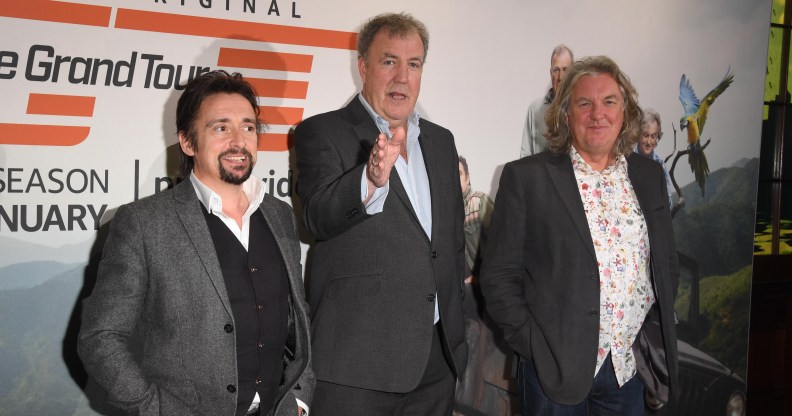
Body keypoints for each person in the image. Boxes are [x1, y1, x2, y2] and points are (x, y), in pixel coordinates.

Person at [78, 70, 313, 416]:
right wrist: (155, 409)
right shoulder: (144, 223)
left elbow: (296, 319)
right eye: (220, 127)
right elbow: (100, 337)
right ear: (188, 142)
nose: (238, 140)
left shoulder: (279, 214)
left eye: (248, 127)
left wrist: (300, 400)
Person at [481, 56, 679, 415]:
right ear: (565, 114)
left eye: (609, 102)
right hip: (553, 373)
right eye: (584, 103)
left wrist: (648, 331)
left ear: (625, 111)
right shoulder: (527, 179)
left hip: (627, 371)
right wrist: (533, 345)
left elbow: (665, 263)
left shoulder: (648, 177)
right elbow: (498, 277)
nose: (597, 113)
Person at [294, 12, 468, 416]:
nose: (402, 77)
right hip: (357, 368)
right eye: (389, 61)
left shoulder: (441, 142)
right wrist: (370, 180)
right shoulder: (322, 132)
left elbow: (451, 243)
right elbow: (316, 217)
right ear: (363, 67)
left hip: (435, 363)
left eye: (414, 64)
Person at [520, 44, 574, 157]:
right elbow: (525, 155)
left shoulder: (581, 109)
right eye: (556, 70)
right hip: (539, 173)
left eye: (565, 69)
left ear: (573, 72)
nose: (560, 77)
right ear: (551, 73)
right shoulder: (535, 109)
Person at [636, 108, 674, 209]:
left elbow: (668, 202)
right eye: (645, 135)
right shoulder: (626, 160)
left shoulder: (660, 164)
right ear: (638, 134)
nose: (649, 142)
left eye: (653, 136)